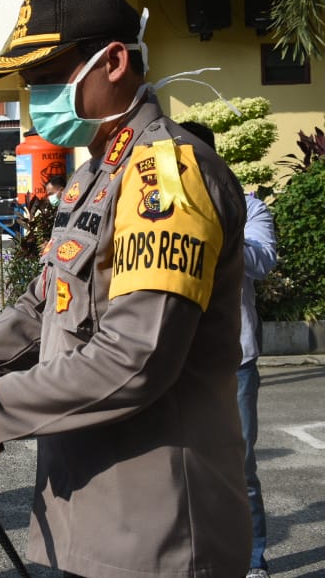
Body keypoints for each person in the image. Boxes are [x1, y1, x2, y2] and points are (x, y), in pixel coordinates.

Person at [0, 0, 251, 577]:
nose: (35, 95)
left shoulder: (163, 178)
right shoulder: (95, 175)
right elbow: (38, 312)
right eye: (29, 81)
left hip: (156, 533)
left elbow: (135, 360)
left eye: (48, 75)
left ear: (114, 61)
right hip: (82, 512)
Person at [180, 121, 277, 578]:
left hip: (235, 359)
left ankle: (252, 562)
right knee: (179, 467)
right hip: (175, 359)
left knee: (239, 467)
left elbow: (262, 261)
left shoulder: (249, 207)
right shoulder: (165, 208)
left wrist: (218, 222)